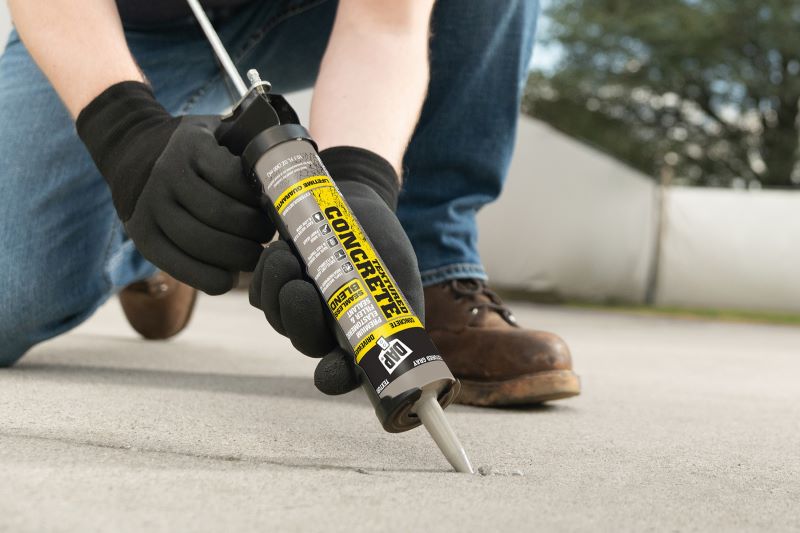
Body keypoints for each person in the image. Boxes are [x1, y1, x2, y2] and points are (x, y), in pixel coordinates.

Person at [0, 0, 580, 406]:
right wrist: (123, 131)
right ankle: (166, 230)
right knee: (7, 296)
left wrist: (360, 185)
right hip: (128, 21)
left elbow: (385, 23)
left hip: (315, 12)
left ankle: (428, 267)